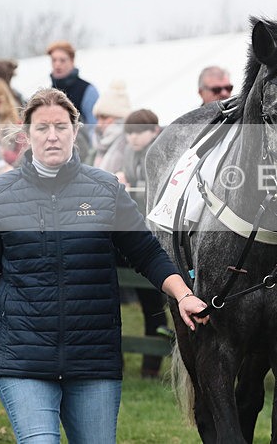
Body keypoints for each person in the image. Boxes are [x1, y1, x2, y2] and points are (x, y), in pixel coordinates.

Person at [0, 88, 208, 443]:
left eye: (61, 127)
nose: (52, 136)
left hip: (93, 359)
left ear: (75, 131)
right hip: (24, 359)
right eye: (42, 128)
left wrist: (183, 295)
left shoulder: (106, 190)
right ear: (26, 134)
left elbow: (147, 253)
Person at [115, 109, 170, 378]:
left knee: (152, 305)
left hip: (156, 235)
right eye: (130, 132)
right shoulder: (129, 152)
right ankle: (121, 361)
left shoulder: (163, 150)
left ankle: (151, 367)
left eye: (139, 131)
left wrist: (130, 185)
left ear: (154, 130)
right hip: (133, 230)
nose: (134, 138)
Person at [47, 40, 100, 128]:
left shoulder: (87, 91)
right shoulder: (48, 93)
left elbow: (94, 129)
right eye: (54, 60)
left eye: (62, 60)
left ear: (72, 61)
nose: (57, 65)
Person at [92, 80, 132, 173]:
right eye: (98, 118)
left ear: (120, 118)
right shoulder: (98, 145)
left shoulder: (130, 144)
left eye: (104, 117)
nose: (99, 123)